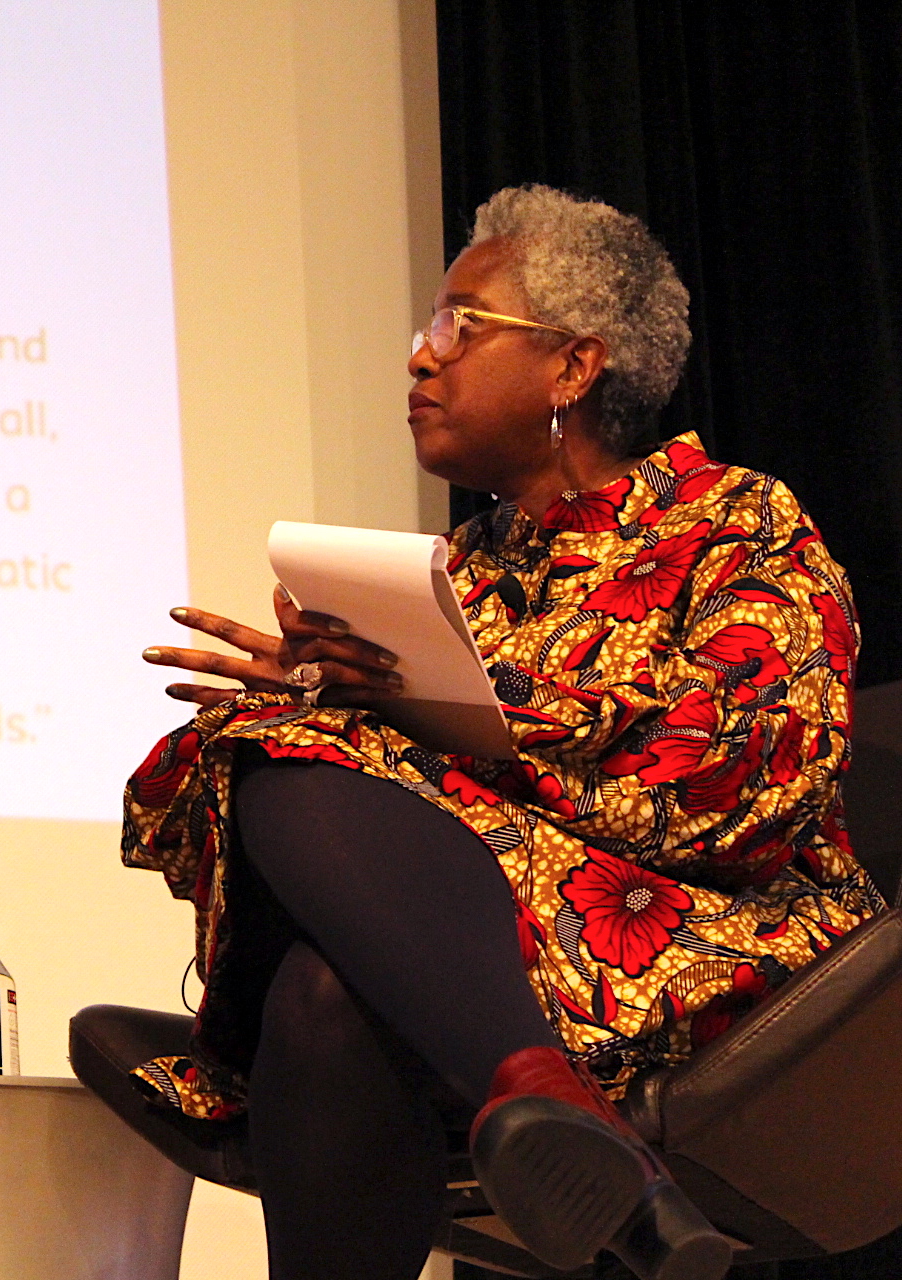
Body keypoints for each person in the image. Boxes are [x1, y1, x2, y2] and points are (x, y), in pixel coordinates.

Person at [128, 185, 882, 1280]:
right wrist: (321, 696)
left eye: (456, 327)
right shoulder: (462, 575)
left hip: (717, 937)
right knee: (316, 965)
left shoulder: (733, 519)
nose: (419, 361)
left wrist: (463, 713)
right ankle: (577, 1130)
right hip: (504, 950)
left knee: (320, 918)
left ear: (574, 367)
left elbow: (737, 775)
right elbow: (423, 818)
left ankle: (565, 1110)